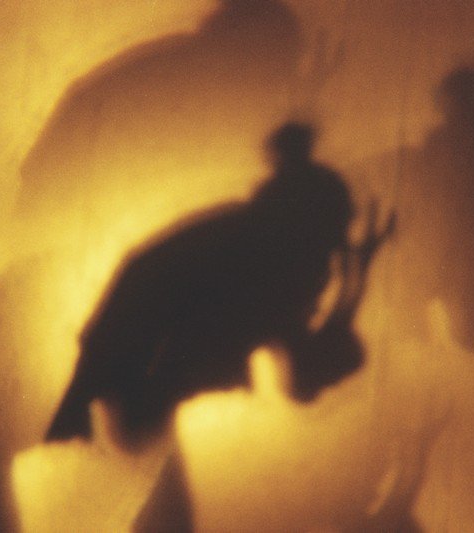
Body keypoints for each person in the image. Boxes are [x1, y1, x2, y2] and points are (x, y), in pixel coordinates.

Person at [46, 122, 393, 530]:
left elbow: (308, 369)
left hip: (135, 388)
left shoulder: (251, 241)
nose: (329, 264)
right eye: (330, 244)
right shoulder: (264, 264)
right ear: (307, 233)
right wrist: (353, 284)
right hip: (139, 393)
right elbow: (307, 377)